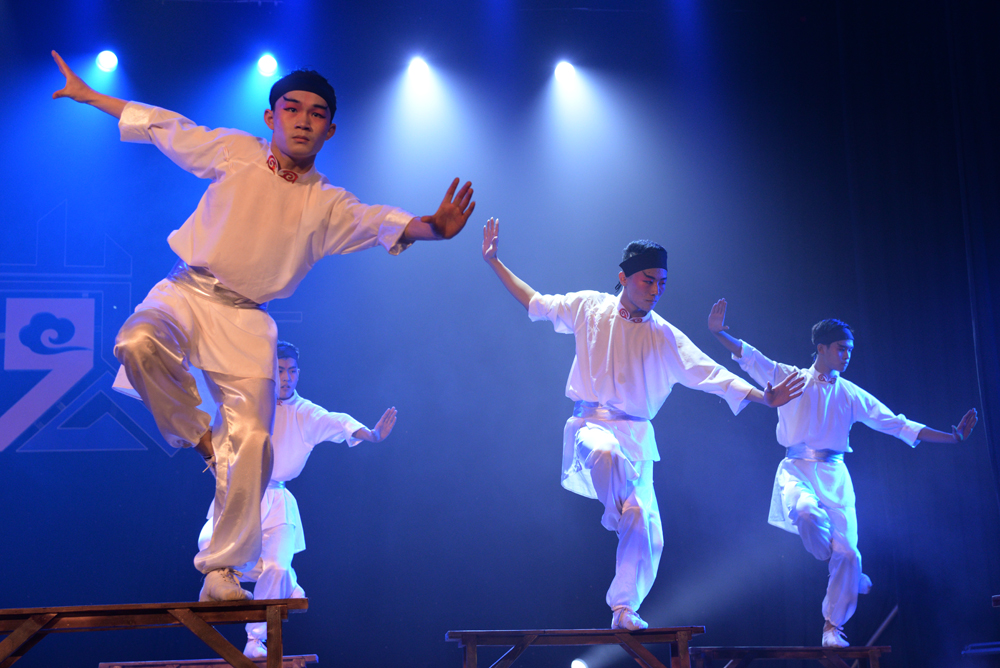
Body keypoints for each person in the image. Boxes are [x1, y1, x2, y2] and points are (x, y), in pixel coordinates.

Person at [51, 51, 475, 602]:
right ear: (271, 117)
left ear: (330, 129)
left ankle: (222, 573)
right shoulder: (237, 151)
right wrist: (91, 97)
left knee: (254, 443)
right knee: (136, 342)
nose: (303, 120)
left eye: (317, 114)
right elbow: (164, 125)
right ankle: (202, 437)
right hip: (186, 291)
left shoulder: (328, 204)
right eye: (292, 109)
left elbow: (379, 221)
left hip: (249, 322)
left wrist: (434, 228)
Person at [481, 218, 805, 630]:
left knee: (648, 527)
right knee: (606, 455)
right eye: (648, 280)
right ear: (624, 277)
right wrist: (495, 262)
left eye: (662, 283)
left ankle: (623, 609)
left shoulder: (664, 335)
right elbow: (536, 303)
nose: (656, 290)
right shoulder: (589, 306)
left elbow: (711, 373)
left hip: (637, 438)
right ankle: (619, 515)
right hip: (591, 426)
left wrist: (764, 397)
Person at [707, 298, 978, 647]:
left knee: (849, 554)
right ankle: (848, 573)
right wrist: (719, 334)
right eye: (841, 348)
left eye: (850, 350)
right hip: (796, 470)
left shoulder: (851, 394)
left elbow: (897, 424)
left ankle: (832, 627)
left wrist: (952, 437)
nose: (847, 355)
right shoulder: (790, 377)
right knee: (806, 513)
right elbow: (751, 356)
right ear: (821, 348)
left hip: (835, 477)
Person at [196, 341, 396, 658]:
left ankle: (255, 640)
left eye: (291, 371)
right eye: (279, 371)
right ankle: (287, 584)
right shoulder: (247, 403)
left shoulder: (305, 413)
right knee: (211, 546)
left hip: (277, 501)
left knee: (276, 566)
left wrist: (371, 434)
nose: (286, 378)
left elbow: (338, 421)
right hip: (241, 494)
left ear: (298, 374)